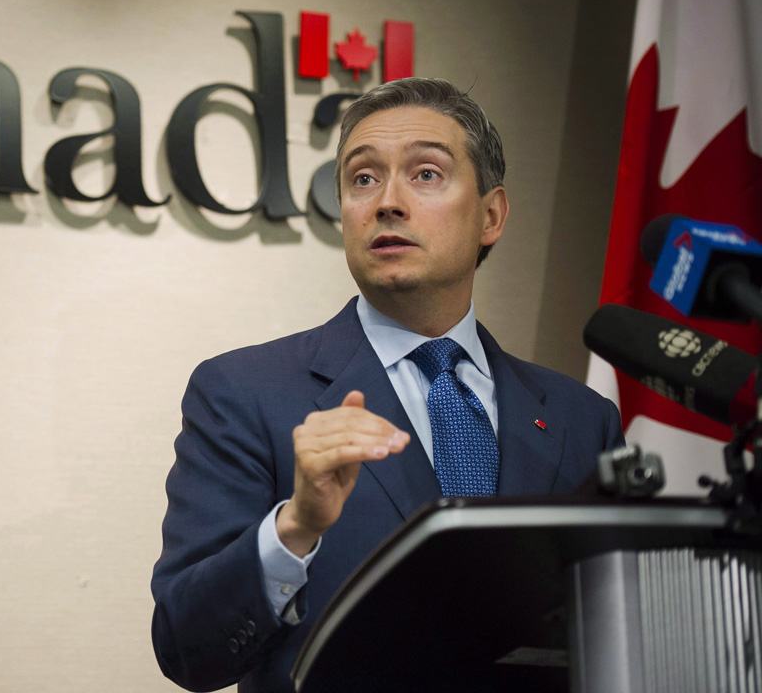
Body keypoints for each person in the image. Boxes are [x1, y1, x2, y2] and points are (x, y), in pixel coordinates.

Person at [150, 78, 624, 693]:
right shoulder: (242, 393)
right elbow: (187, 649)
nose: (387, 203)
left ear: (490, 215)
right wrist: (294, 528)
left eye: (426, 174)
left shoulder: (581, 417)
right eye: (363, 179)